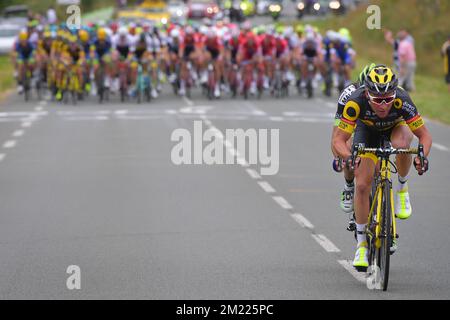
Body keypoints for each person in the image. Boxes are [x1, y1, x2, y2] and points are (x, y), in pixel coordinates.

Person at [332, 65, 432, 271]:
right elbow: (338, 140)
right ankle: (361, 245)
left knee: (404, 144)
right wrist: (346, 156)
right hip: (366, 131)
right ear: (367, 94)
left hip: (394, 129)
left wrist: (422, 156)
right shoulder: (354, 101)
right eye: (377, 100)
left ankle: (402, 190)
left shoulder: (402, 100)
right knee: (362, 185)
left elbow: (425, 136)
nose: (384, 104)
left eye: (388, 98)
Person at [331, 63, 376, 214]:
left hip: (376, 123)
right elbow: (337, 132)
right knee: (348, 151)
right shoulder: (348, 94)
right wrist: (340, 156)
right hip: (353, 123)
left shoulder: (387, 94)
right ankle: (349, 186)